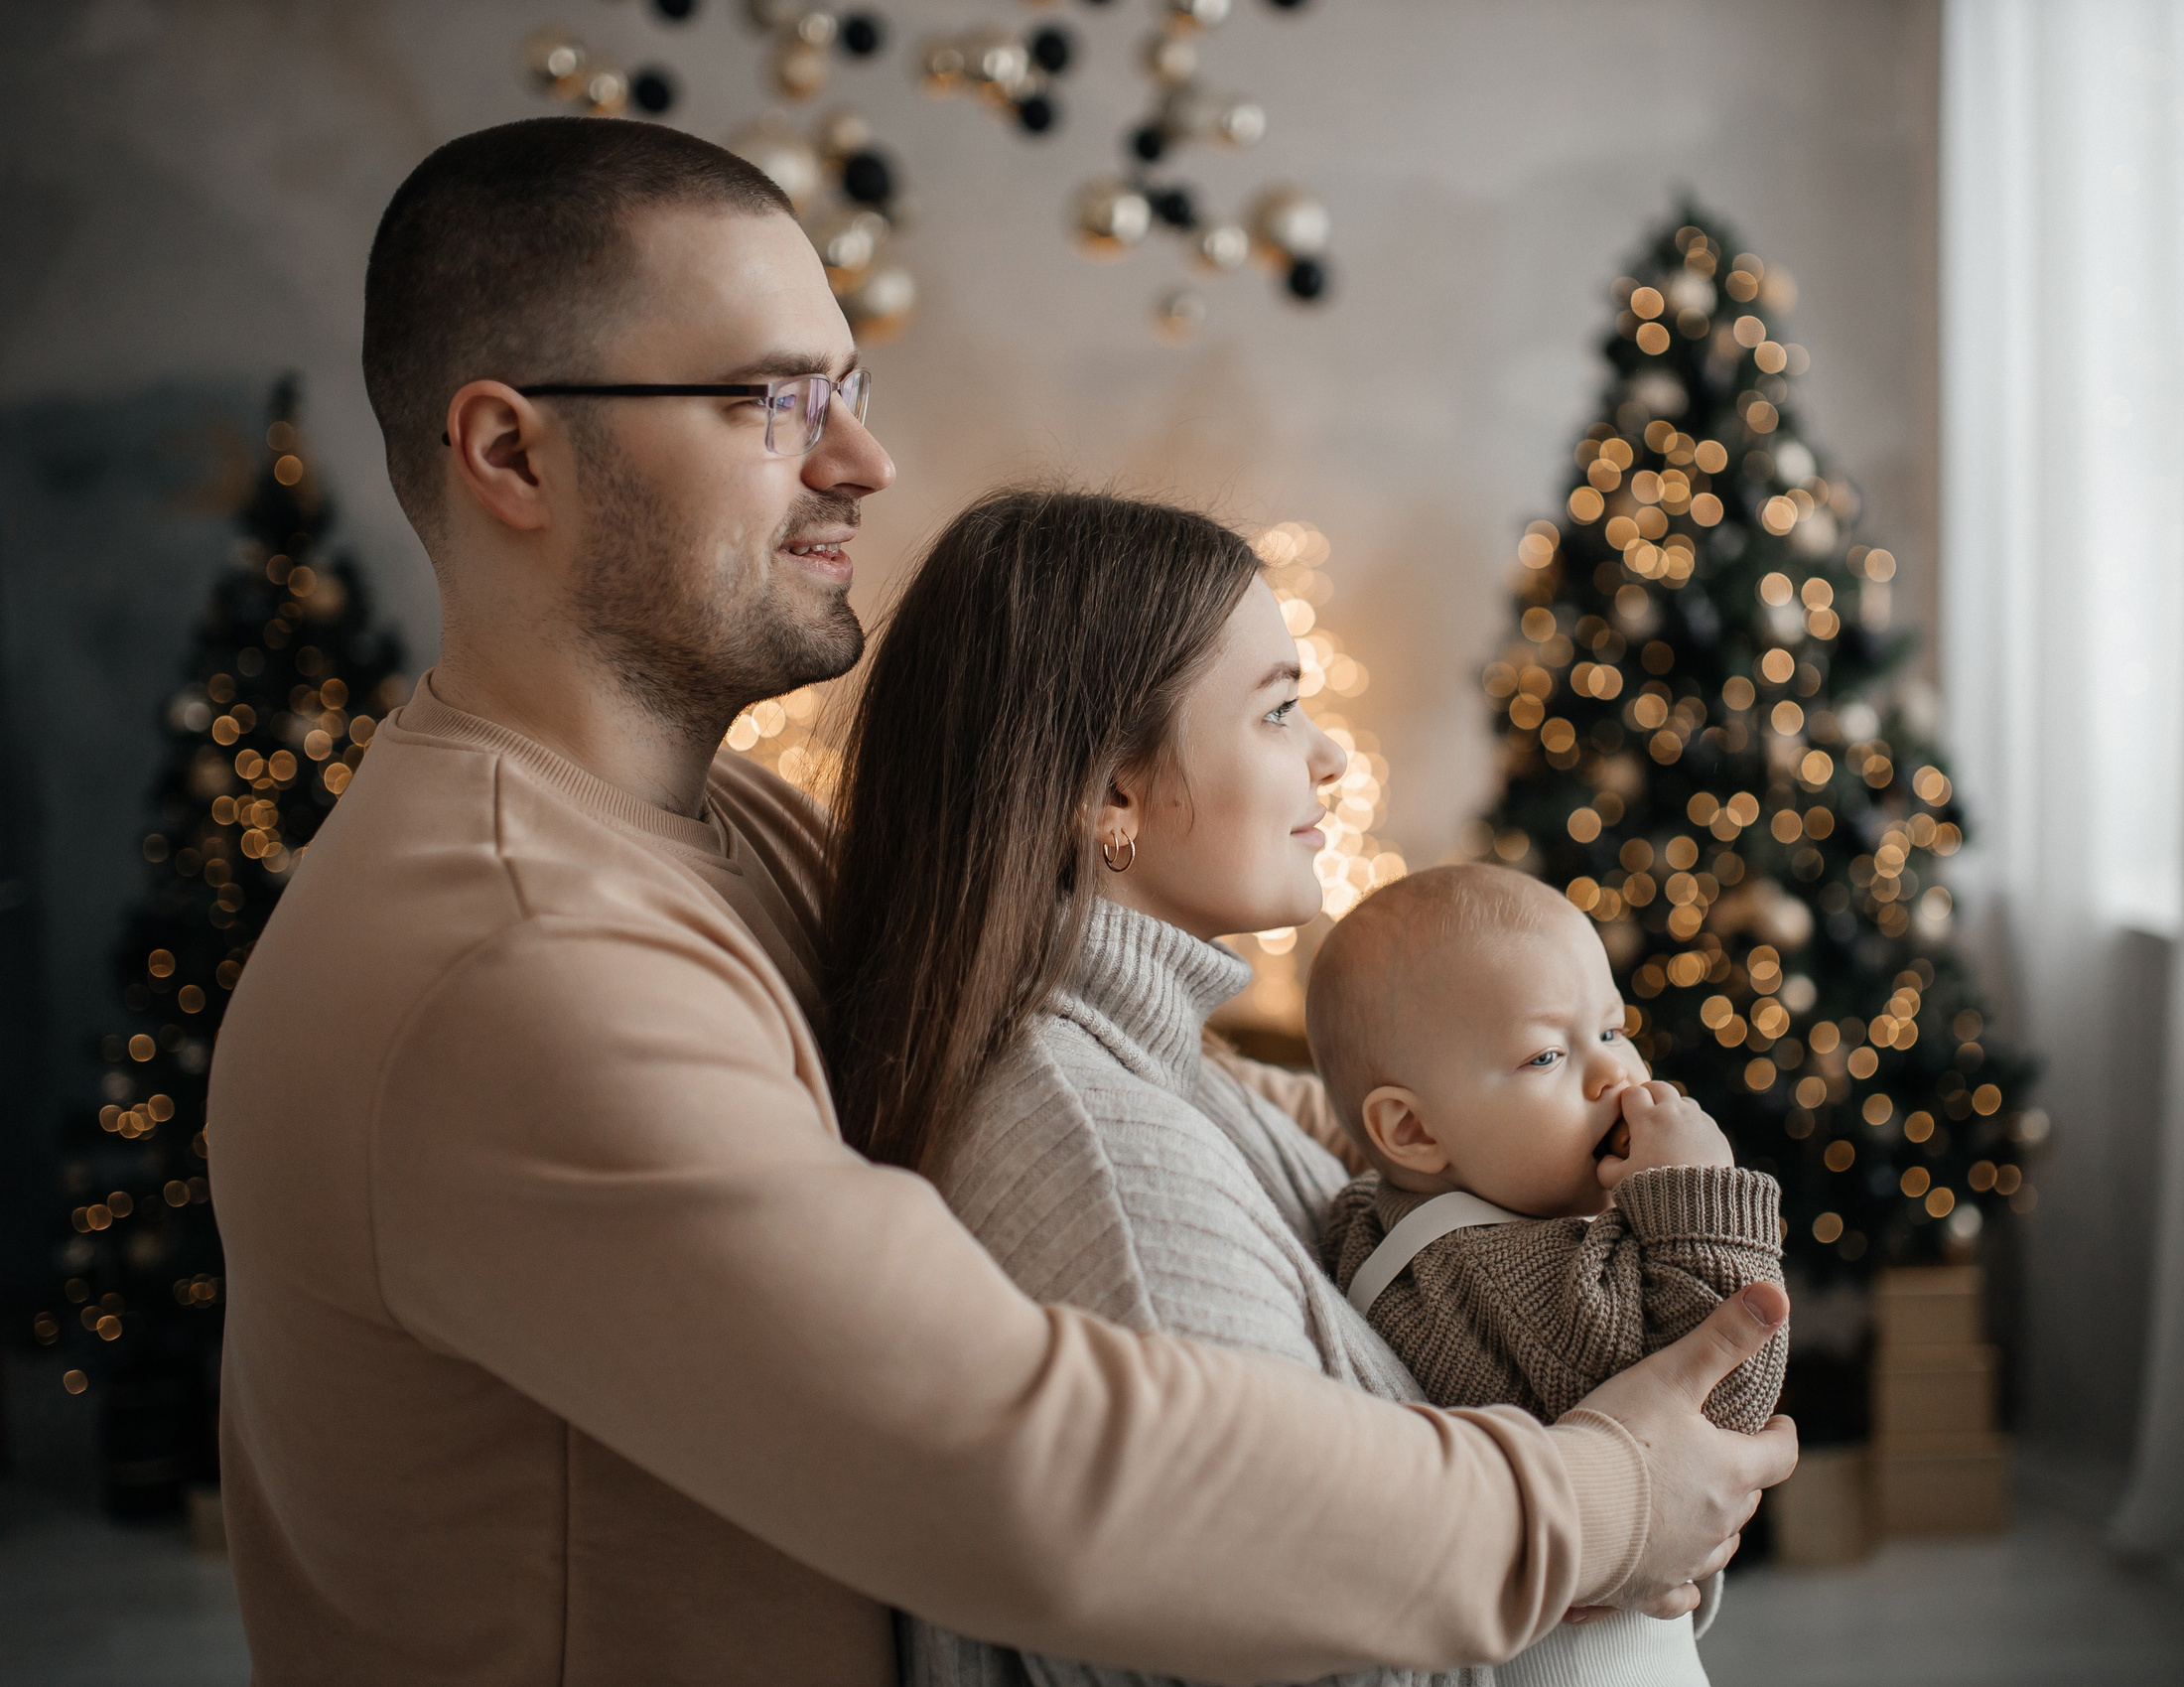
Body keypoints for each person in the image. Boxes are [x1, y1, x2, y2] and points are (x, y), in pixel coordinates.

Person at [206, 115, 1795, 1686]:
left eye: (852, 388)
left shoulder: (710, 826)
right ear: (510, 452)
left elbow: (1091, 1025)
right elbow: (1043, 1469)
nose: (860, 460)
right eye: (773, 401)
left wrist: (1490, 1106)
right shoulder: (519, 951)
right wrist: (1607, 1496)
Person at [1310, 864, 1791, 1687]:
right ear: (1415, 1129)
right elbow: (1721, 1407)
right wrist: (1698, 1196)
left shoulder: (1389, 1218)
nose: (1614, 1076)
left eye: (1610, 1028)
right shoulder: (1487, 1272)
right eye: (1546, 1054)